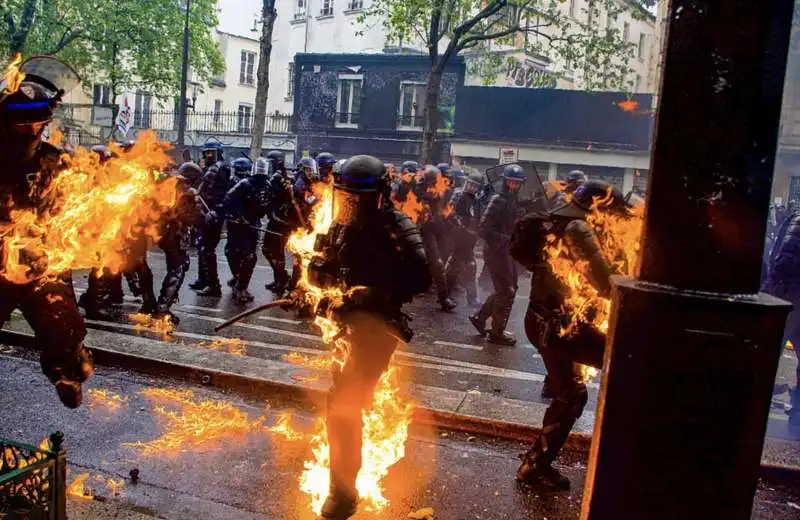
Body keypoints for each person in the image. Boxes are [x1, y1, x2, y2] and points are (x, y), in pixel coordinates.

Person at [308, 155, 431, 519]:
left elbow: (422, 278)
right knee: (341, 401)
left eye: (361, 198)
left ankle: (342, 494)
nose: (353, 204)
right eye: (348, 196)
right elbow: (324, 265)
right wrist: (314, 280)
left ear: (380, 196)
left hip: (377, 328)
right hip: (343, 325)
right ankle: (341, 484)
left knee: (344, 406)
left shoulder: (398, 227)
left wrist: (374, 293)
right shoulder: (340, 225)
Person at [510, 180, 633, 490]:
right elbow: (607, 284)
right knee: (629, 368)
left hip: (546, 322)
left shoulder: (558, 221)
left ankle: (535, 466)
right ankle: (623, 461)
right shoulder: (578, 230)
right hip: (562, 329)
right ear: (599, 209)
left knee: (572, 392)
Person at [0, 55, 93, 407]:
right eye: (24, 124)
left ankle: (67, 372)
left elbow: (68, 211)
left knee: (67, 340)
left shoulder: (54, 162)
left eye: (39, 123)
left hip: (41, 264)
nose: (32, 131)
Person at [470, 164, 526, 345]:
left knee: (510, 289)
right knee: (506, 291)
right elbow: (482, 229)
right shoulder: (497, 200)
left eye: (517, 183)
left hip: (507, 252)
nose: (513, 185)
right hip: (496, 251)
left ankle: (480, 317)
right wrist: (505, 238)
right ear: (504, 181)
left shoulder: (515, 202)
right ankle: (496, 332)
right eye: (511, 181)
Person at [149, 163, 204, 323]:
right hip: (176, 235)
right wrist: (204, 216)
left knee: (174, 267)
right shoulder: (187, 193)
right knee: (177, 270)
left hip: (167, 235)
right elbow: (191, 217)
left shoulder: (171, 188)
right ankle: (162, 308)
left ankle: (163, 304)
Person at [763, 208, 800, 432]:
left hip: (781, 291)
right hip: (792, 292)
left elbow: (777, 254)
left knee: (766, 357)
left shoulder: (795, 215)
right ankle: (796, 423)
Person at [219, 157, 271, 304]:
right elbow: (228, 200)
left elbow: (267, 204)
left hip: (253, 225)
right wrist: (240, 218)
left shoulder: (266, 186)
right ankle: (238, 282)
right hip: (238, 226)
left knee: (250, 257)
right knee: (233, 253)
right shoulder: (244, 184)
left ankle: (241, 286)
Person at [190, 142, 231, 296]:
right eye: (205, 152)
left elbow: (211, 191)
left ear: (217, 153)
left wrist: (215, 211)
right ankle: (203, 279)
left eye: (210, 153)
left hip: (213, 213)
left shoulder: (218, 168)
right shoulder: (215, 168)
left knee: (207, 249)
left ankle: (214, 286)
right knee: (202, 246)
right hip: (207, 212)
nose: (206, 155)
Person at [416, 165, 457, 311]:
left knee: (438, 263)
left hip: (433, 231)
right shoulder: (416, 191)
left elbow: (445, 212)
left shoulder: (442, 191)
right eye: (431, 183)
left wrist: (451, 224)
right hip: (418, 230)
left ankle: (443, 297)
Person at [444, 171, 483, 306]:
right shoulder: (459, 195)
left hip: (469, 238)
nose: (472, 187)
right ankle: (445, 296)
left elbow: (477, 217)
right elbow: (450, 212)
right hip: (458, 236)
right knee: (457, 266)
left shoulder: (477, 200)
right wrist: (460, 227)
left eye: (475, 186)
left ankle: (470, 298)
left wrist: (476, 232)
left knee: (468, 266)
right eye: (471, 184)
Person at [262, 150, 294, 294]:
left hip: (278, 221)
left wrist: (273, 215)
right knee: (277, 252)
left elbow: (272, 200)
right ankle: (279, 280)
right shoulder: (285, 176)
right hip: (283, 219)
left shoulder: (276, 178)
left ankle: (282, 279)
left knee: (269, 250)